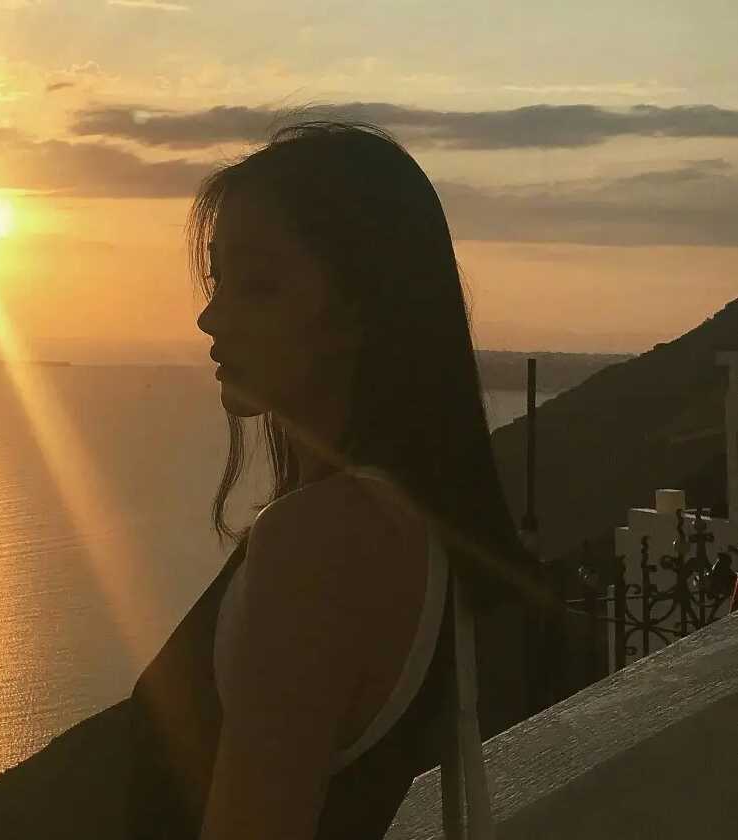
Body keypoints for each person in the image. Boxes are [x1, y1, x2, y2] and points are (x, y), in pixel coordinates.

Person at [127, 120, 553, 840]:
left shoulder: (318, 541)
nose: (210, 315)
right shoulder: (408, 520)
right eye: (218, 277)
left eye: (258, 286)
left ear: (360, 311)